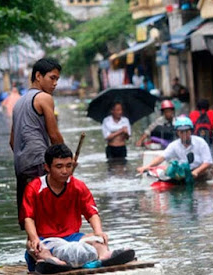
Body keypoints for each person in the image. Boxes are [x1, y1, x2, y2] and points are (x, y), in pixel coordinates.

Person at [20, 144, 135, 273]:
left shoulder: (78, 186)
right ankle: (53, 262)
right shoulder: (34, 188)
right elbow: (28, 218)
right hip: (46, 239)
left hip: (74, 237)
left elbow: (92, 212)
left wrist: (98, 232)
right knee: (31, 245)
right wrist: (34, 238)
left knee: (97, 240)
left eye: (68, 166)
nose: (65, 171)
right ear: (47, 167)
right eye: (59, 166)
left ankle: (104, 256)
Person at [10, 58, 65, 229]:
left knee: (30, 216)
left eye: (57, 79)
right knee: (49, 214)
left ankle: (35, 248)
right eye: (52, 78)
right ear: (38, 76)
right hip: (39, 161)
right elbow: (54, 136)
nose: (55, 83)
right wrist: (65, 159)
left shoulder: (18, 103)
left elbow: (12, 142)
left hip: (21, 166)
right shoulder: (44, 98)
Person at [137, 116, 213, 179]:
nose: (184, 134)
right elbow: (162, 157)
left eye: (187, 131)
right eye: (181, 132)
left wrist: (196, 172)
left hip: (201, 174)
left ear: (191, 131)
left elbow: (208, 162)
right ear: (177, 133)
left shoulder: (200, 142)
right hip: (183, 174)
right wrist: (147, 166)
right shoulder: (174, 145)